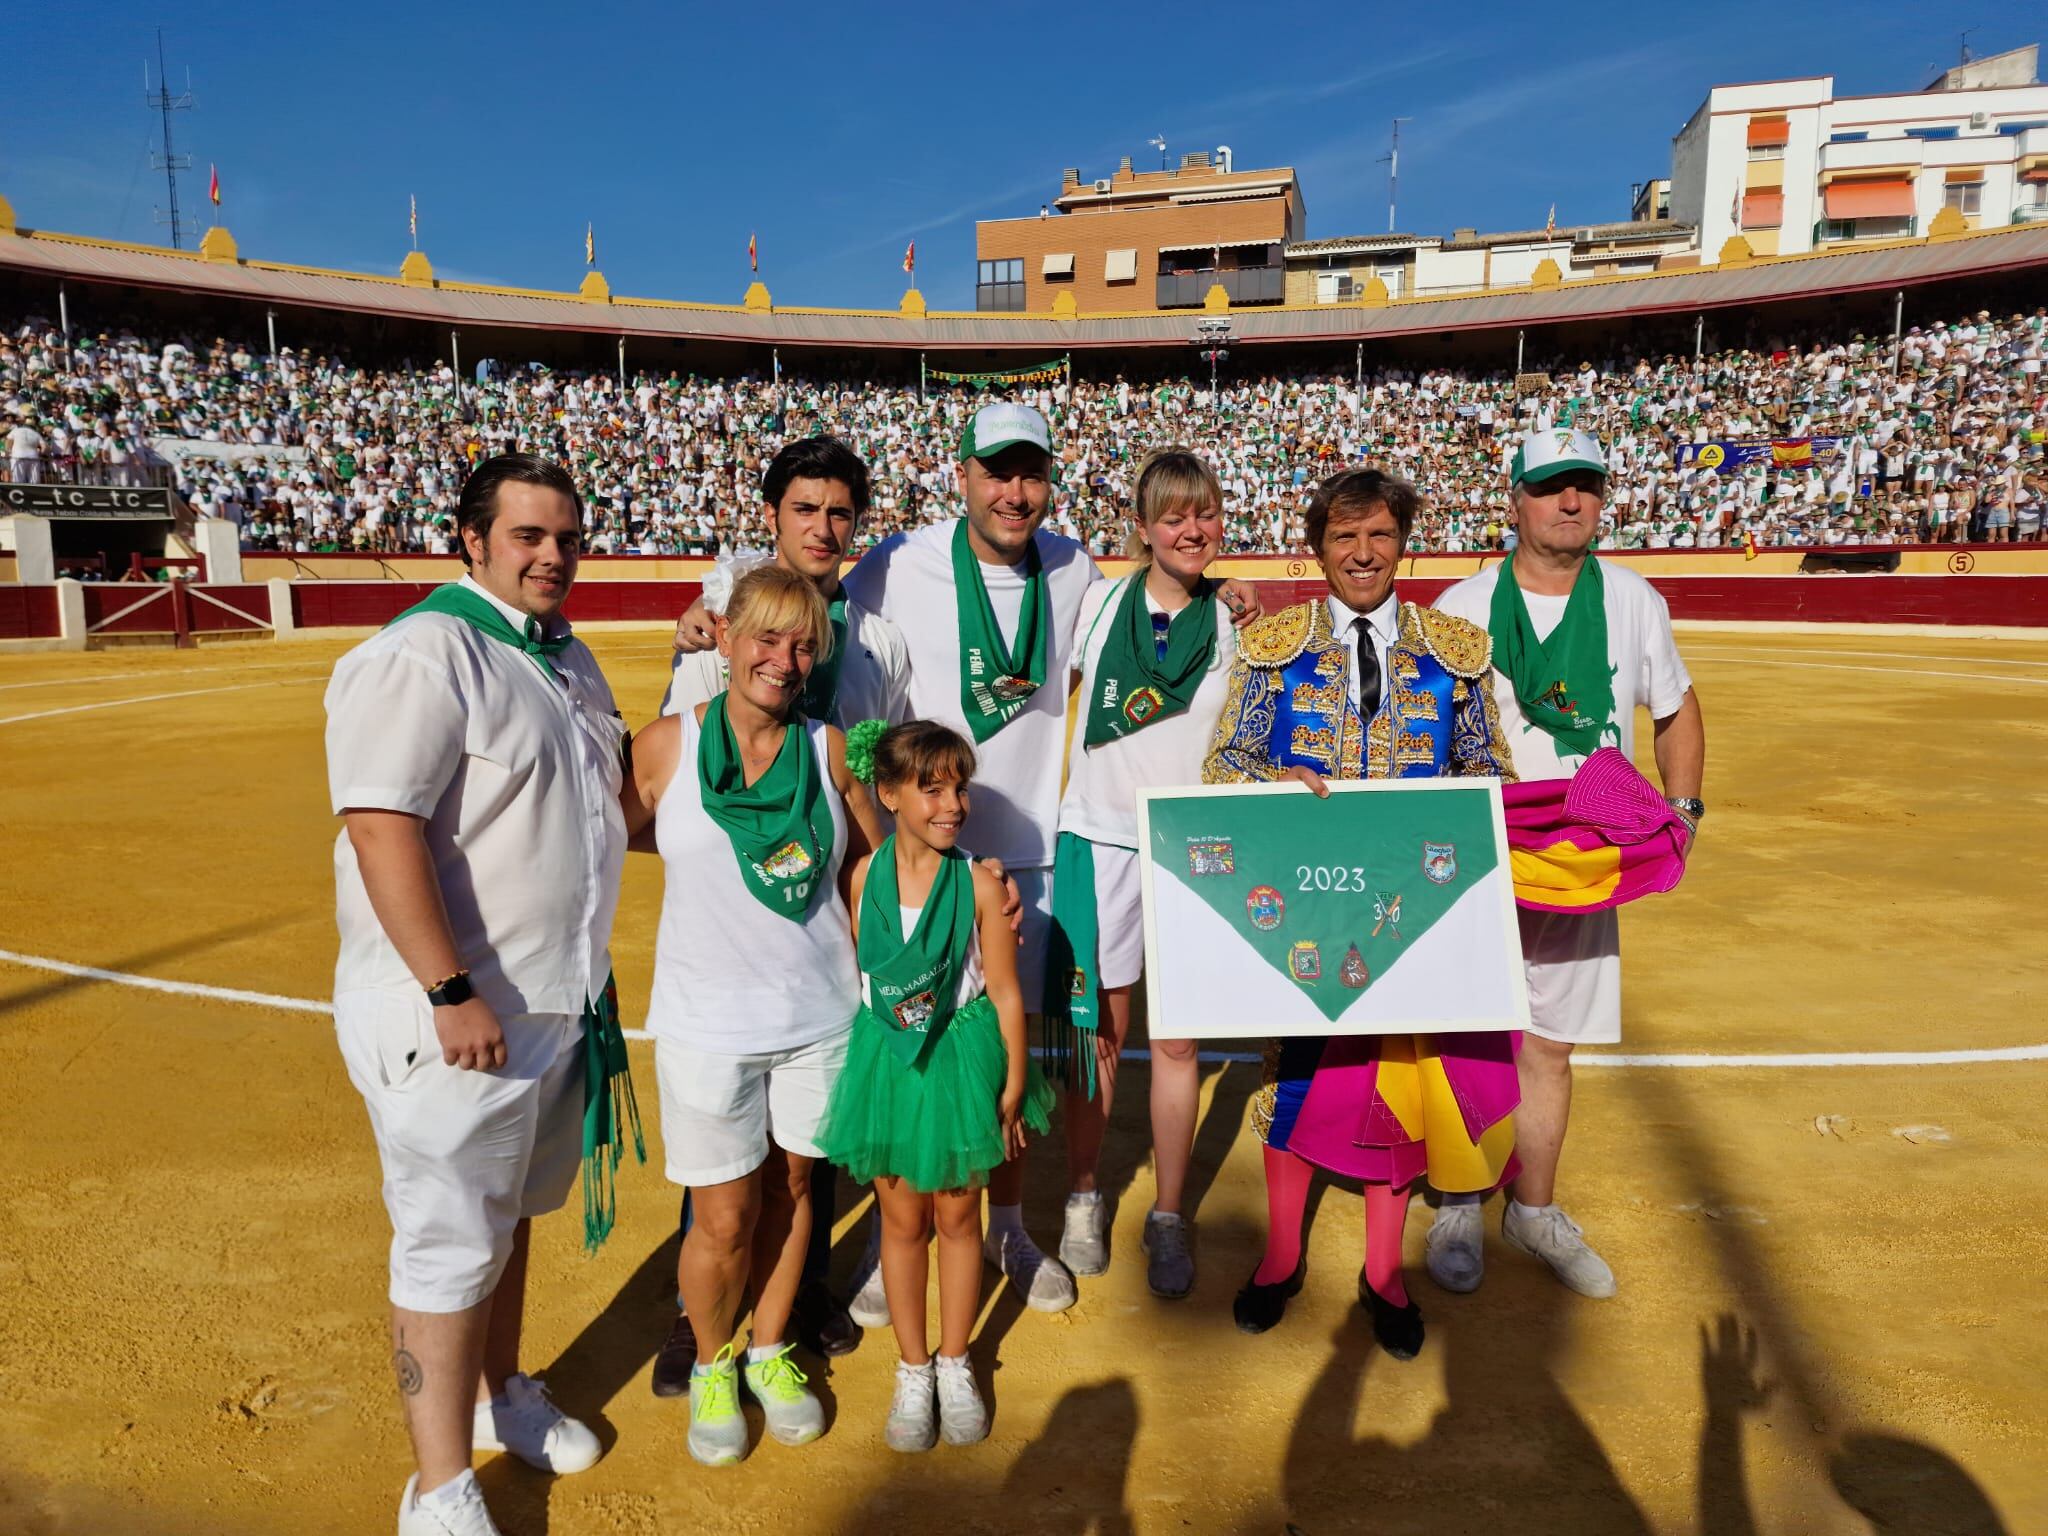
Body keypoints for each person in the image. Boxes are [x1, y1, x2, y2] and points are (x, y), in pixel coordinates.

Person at [325, 453, 637, 1536]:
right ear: (471, 540)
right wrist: (449, 987)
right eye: (526, 536)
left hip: (552, 1006)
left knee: (507, 1223)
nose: (553, 555)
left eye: (565, 536)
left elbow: (613, 804)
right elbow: (380, 825)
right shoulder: (423, 652)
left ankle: (504, 1396)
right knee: (448, 1239)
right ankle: (440, 1486)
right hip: (455, 1017)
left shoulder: (566, 659)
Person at [1203, 466, 1519, 1359]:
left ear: (1402, 541)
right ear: (1319, 548)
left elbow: (1492, 775)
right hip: (1302, 901)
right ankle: (1278, 1256)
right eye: (1345, 537)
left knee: (1398, 1075)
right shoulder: (1272, 645)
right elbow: (1224, 764)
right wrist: (1276, 778)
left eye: (1379, 535)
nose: (1363, 553)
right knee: (1291, 1074)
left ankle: (1383, 1273)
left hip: (1414, 902)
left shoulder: (1452, 647)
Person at [651, 435, 910, 1389]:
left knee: (807, 1146)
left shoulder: (878, 640)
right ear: (774, 517)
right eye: (805, 509)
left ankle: (793, 1304)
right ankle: (697, 1317)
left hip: (822, 929)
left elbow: (878, 760)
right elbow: (679, 761)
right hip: (733, 934)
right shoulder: (722, 620)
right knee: (724, 1165)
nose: (823, 528)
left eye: (840, 514)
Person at [1429, 425, 1705, 1299]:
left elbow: (1676, 704)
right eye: (1552, 487)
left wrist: (1685, 809)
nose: (1571, 501)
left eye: (1584, 484)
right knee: (1466, 1032)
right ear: (1515, 500)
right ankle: (1458, 1200)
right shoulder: (1465, 607)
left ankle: (1535, 1209)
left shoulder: (1632, 598)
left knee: (1552, 1045)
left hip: (1591, 855)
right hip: (1486, 845)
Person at [622, 564, 882, 1468]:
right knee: (722, 1216)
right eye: (766, 637)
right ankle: (712, 1361)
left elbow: (871, 873)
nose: (784, 658)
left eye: (803, 643)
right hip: (705, 1020)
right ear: (724, 638)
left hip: (819, 1012)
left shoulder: (831, 748)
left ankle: (769, 1348)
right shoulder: (665, 748)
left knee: (796, 1191)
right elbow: (592, 840)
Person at [817, 719, 1055, 1452]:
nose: (952, 804)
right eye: (932, 789)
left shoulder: (982, 884)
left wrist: (1014, 1079)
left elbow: (1009, 993)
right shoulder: (859, 877)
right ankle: (912, 1369)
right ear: (887, 794)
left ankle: (956, 1362)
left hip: (962, 1058)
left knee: (959, 1220)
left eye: (960, 787)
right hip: (888, 1066)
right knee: (901, 1224)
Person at [1044, 447, 1240, 1298]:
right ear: (1144, 529)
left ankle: (1166, 1214)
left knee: (1178, 1040)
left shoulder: (1230, 623)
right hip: (1099, 841)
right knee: (1101, 1035)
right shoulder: (1093, 604)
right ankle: (1085, 1194)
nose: (1190, 530)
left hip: (1190, 847)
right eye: (1173, 517)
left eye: (1203, 514)